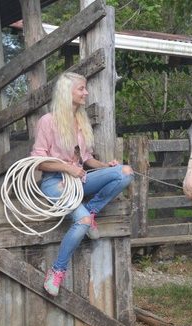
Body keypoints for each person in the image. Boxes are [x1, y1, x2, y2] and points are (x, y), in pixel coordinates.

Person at [30, 72, 133, 296]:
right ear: (67, 93)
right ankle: (56, 271)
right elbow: (38, 162)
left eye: (85, 88)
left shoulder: (81, 121)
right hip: (54, 182)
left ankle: (93, 210)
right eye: (81, 89)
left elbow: (87, 160)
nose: (85, 92)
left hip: (79, 180)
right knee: (82, 221)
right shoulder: (48, 122)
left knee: (125, 172)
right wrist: (67, 168)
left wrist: (107, 166)